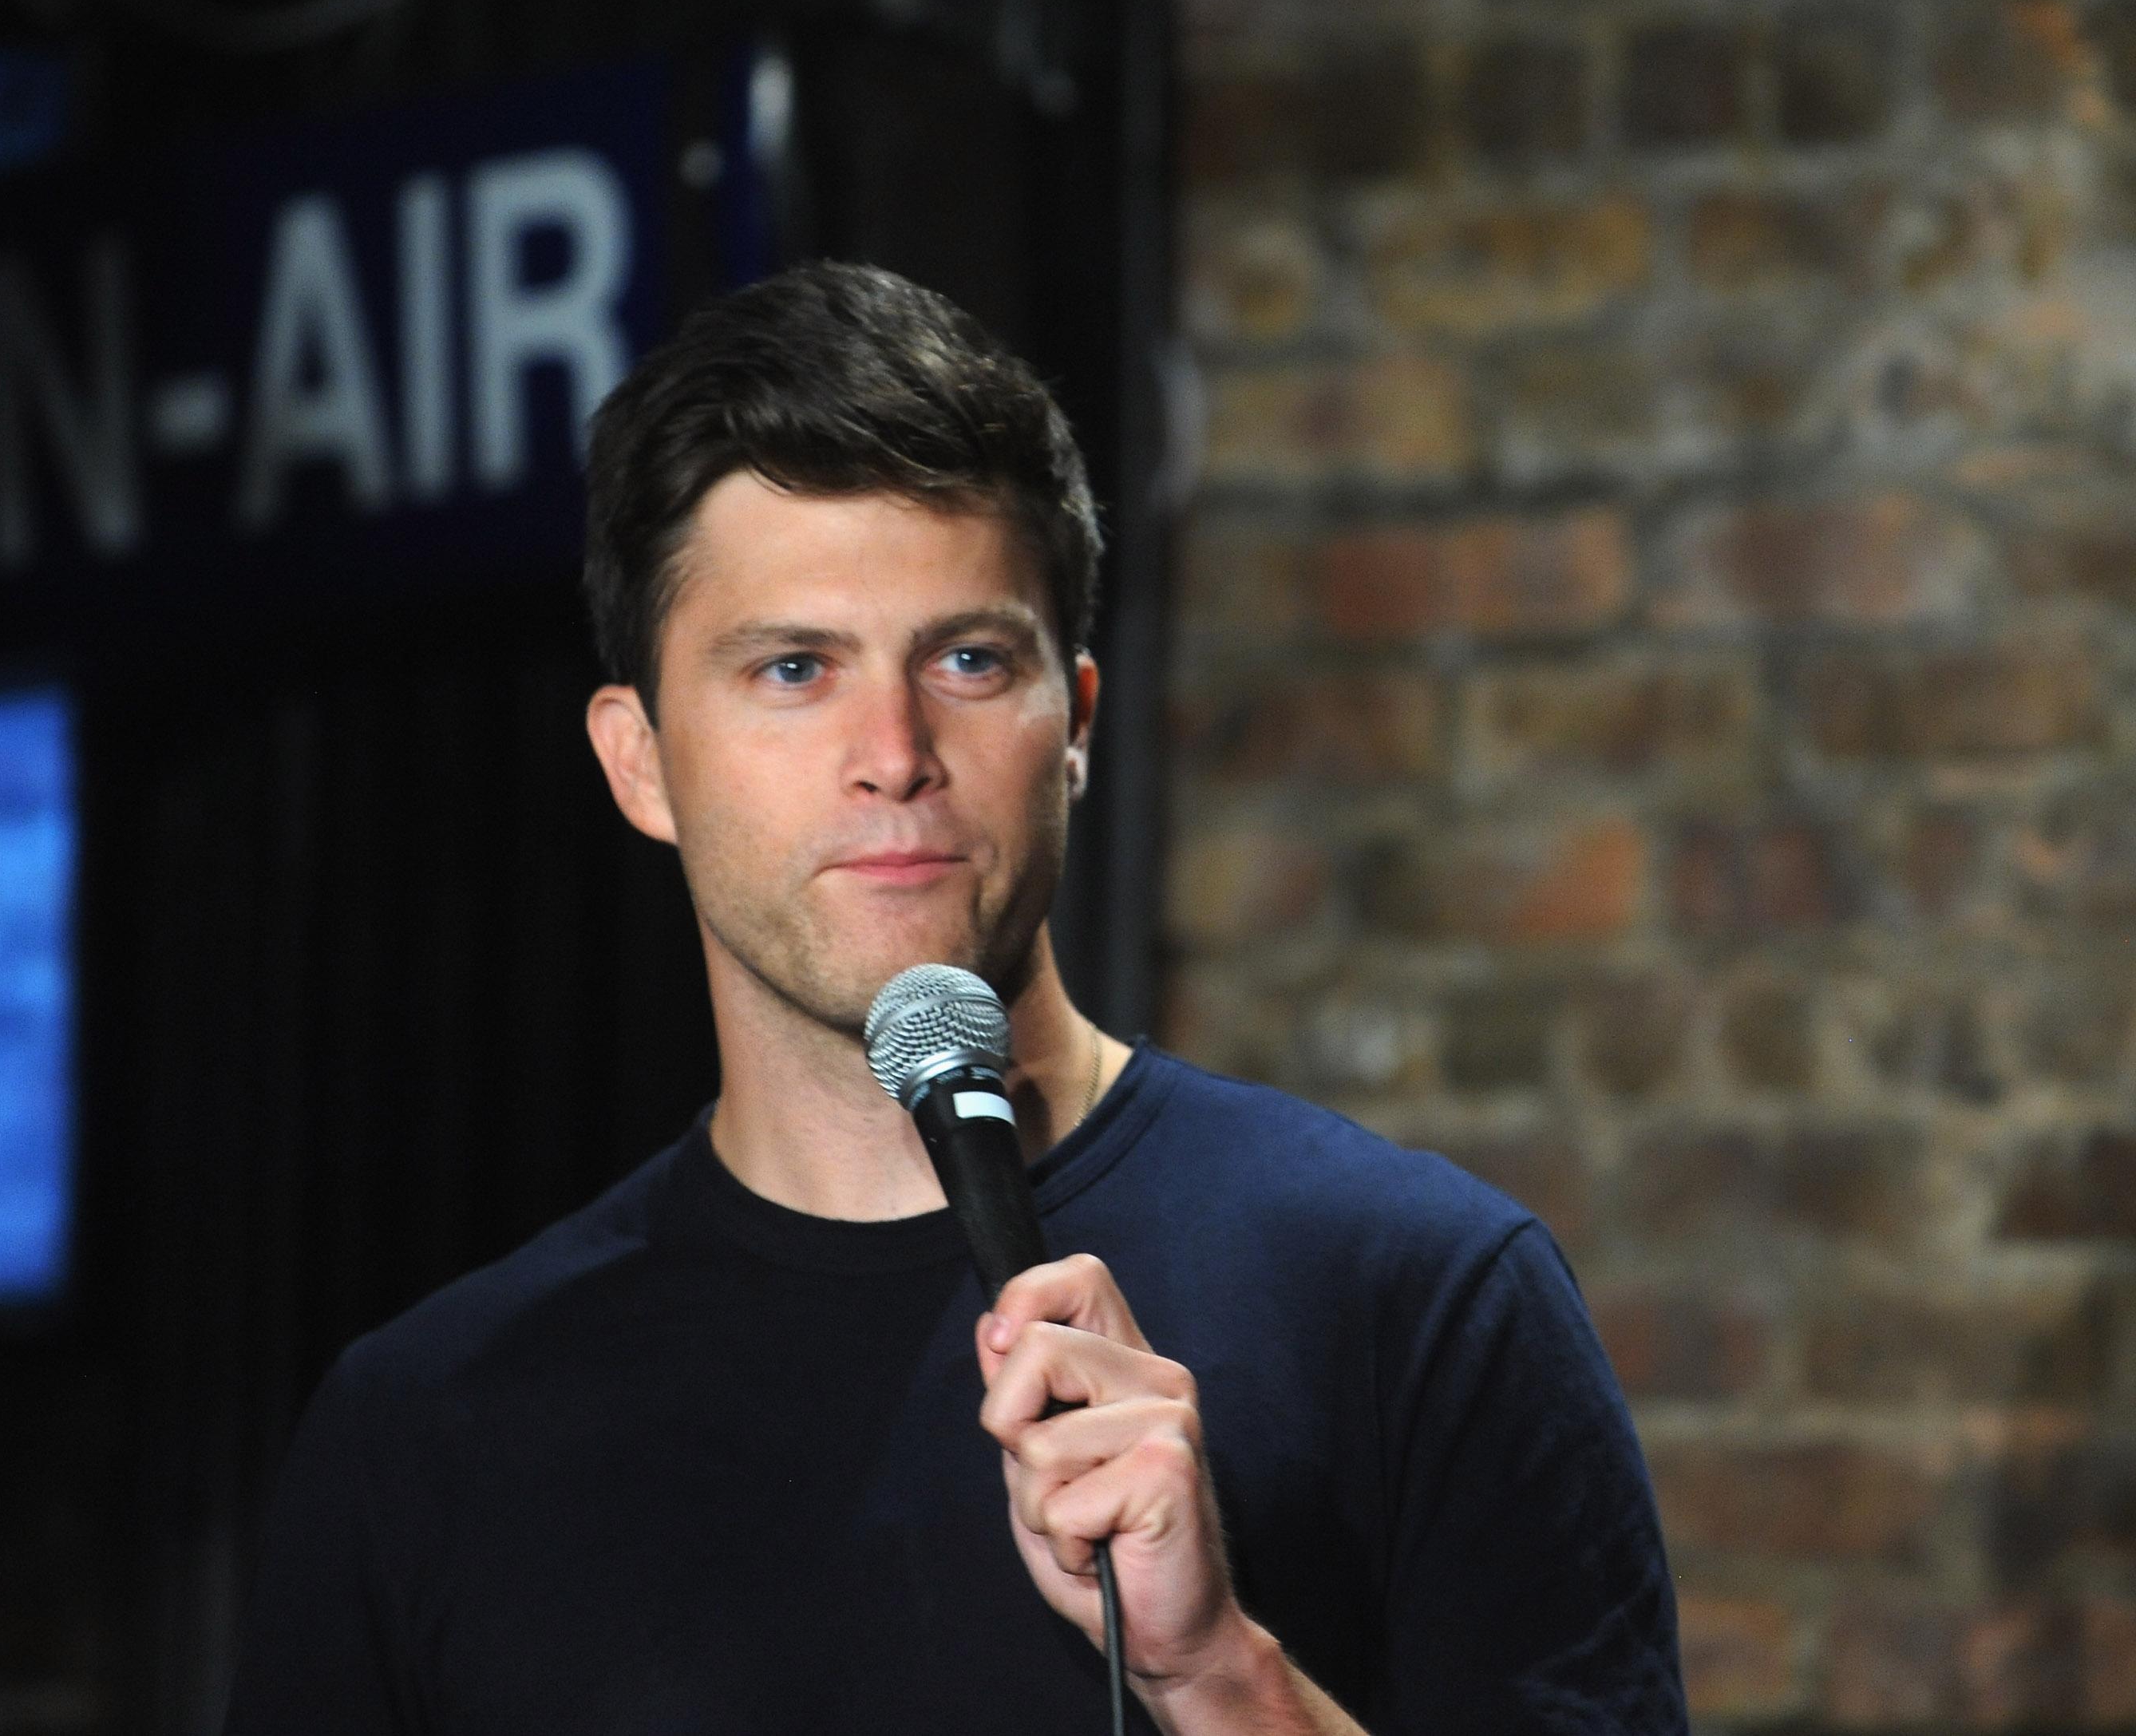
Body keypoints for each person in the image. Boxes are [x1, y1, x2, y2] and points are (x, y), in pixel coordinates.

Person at [222, 262, 1688, 1734]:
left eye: (971, 659)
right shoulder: (426, 1431)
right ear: (641, 762)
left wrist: (1220, 1673)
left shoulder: (1418, 1298)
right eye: (794, 668)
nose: (895, 750)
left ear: (1078, 725)